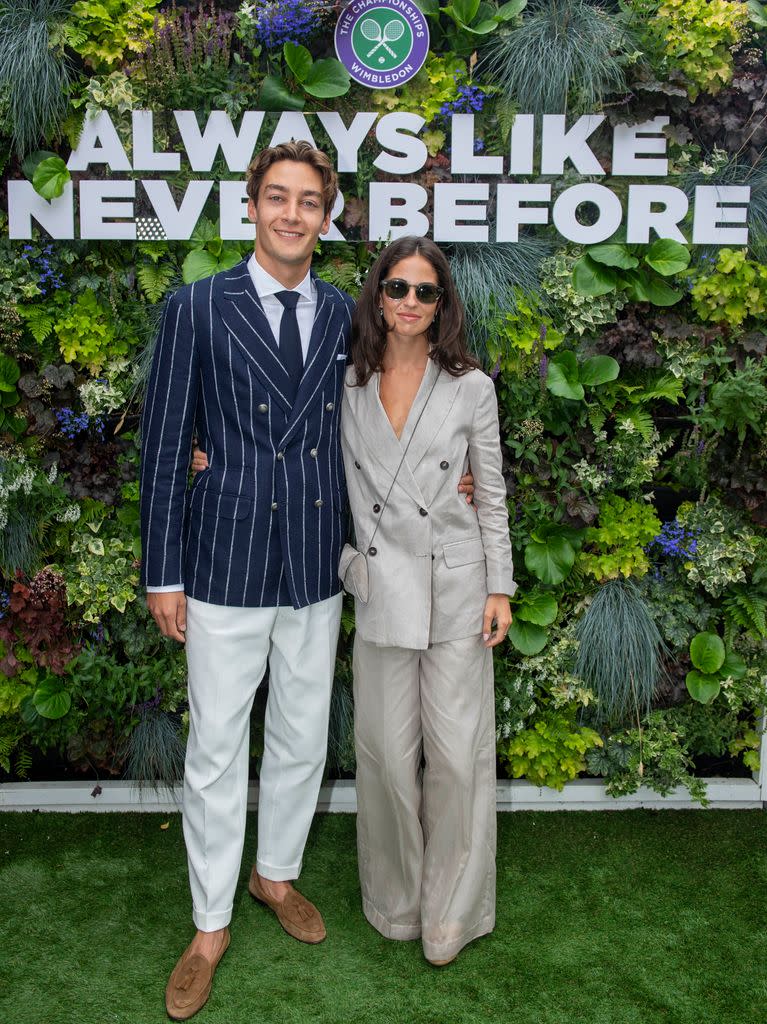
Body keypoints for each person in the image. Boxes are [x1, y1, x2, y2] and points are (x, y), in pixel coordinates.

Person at [143, 143, 474, 1020]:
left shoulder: (345, 313)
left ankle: (273, 876)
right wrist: (161, 571)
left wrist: (457, 473)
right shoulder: (197, 307)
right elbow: (166, 445)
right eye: (277, 198)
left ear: (327, 218)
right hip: (222, 556)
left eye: (309, 202)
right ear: (250, 206)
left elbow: (393, 402)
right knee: (217, 745)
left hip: (317, 558)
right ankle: (208, 924)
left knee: (298, 735)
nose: (292, 214)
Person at [339, 236, 516, 966]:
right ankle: (395, 900)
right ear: (377, 295)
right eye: (397, 287)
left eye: (425, 291)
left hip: (456, 583)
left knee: (456, 758)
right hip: (381, 587)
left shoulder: (470, 385)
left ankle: (452, 912)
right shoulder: (345, 382)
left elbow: (492, 491)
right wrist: (216, 452)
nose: (410, 302)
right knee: (382, 755)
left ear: (443, 304)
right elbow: (286, 449)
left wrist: (500, 584)